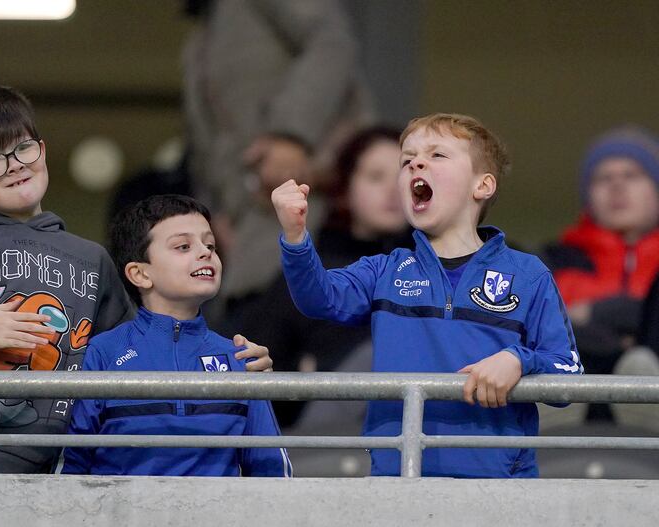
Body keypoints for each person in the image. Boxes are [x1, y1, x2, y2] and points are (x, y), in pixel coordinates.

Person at [0, 85, 271, 474]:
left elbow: (135, 349)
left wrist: (233, 362)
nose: (15, 165)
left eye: (23, 148)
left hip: (44, 466)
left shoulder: (90, 259)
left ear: (42, 150)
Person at [271, 113, 583, 478]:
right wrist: (295, 238)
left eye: (437, 155)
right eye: (407, 160)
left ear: (482, 186)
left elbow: (568, 374)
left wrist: (519, 361)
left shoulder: (528, 274)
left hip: (498, 486)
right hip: (400, 474)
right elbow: (318, 298)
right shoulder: (384, 269)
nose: (416, 162)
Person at [60, 195, 291, 476]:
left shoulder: (240, 357)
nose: (206, 253)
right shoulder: (103, 353)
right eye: (183, 246)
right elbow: (73, 466)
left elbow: (271, 467)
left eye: (210, 245)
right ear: (140, 274)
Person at [182, 0, 377, 311]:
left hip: (313, 210)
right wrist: (216, 213)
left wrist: (291, 135)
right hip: (248, 228)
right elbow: (207, 139)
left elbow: (331, 42)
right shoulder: (205, 29)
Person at [218, 126, 413, 426]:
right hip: (324, 442)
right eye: (375, 177)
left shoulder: (436, 264)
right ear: (346, 187)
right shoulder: (307, 263)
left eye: (405, 176)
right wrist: (303, 371)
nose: (393, 190)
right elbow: (262, 365)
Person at [542, 126, 659, 377]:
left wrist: (593, 312)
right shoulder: (552, 261)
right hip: (583, 394)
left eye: (632, 175)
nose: (617, 186)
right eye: (603, 178)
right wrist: (623, 337)